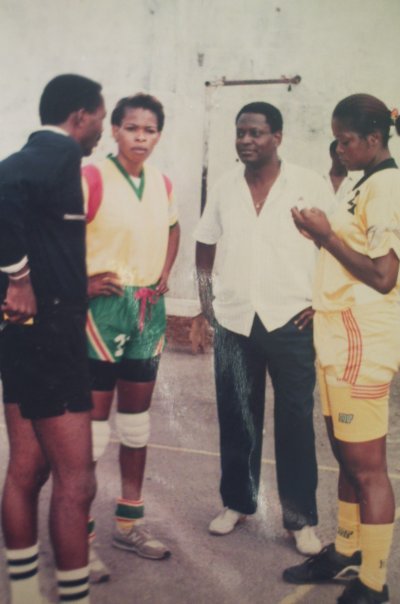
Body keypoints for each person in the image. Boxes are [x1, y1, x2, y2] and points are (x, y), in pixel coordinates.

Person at [282, 94, 400, 604]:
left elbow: (384, 275)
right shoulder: (363, 183)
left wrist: (324, 236)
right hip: (339, 331)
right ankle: (346, 549)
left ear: (374, 140)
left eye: (345, 140)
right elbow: (351, 260)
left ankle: (374, 582)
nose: (337, 149)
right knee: (344, 452)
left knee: (367, 466)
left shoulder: (387, 188)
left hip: (363, 337)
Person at [195, 102, 333, 555]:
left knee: (294, 419)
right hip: (234, 319)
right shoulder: (224, 186)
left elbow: (336, 242)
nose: (246, 140)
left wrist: (322, 302)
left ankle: (300, 520)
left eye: (255, 132)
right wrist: (205, 303)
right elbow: (204, 243)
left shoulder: (308, 184)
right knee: (237, 415)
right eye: (240, 132)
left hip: (290, 319)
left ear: (278, 137)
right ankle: (237, 502)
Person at [0, 74, 105, 604]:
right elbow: (0, 188)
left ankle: (23, 591)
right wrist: (16, 277)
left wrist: (22, 278)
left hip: (25, 337)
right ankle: (73, 597)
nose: (102, 133)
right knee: (76, 479)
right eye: (104, 119)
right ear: (80, 116)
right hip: (52, 337)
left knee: (26, 468)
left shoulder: (47, 159)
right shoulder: (56, 153)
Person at [82, 93, 180, 573]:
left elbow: (173, 228)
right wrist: (80, 283)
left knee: (137, 425)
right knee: (94, 432)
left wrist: (164, 272)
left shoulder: (163, 183)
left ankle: (127, 524)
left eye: (150, 129)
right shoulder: (91, 177)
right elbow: (53, 236)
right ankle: (80, 535)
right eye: (132, 128)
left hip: (147, 309)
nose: (141, 137)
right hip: (101, 311)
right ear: (114, 130)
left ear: (159, 134)